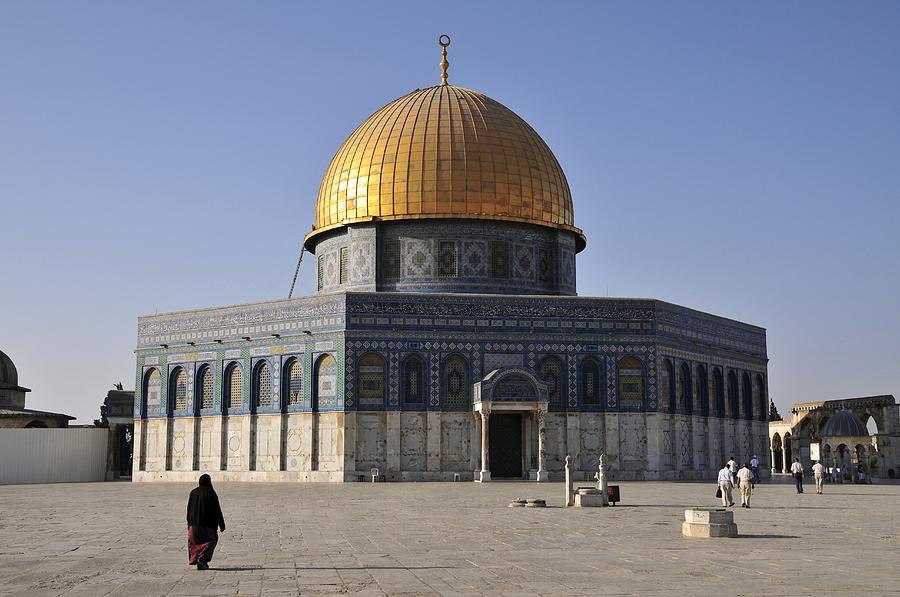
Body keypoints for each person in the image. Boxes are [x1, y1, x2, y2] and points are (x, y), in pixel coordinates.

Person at [186, 474, 225, 570]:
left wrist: (189, 523)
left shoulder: (193, 492)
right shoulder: (211, 492)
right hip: (207, 526)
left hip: (193, 525)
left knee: (195, 543)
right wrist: (221, 524)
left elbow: (189, 509)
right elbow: (217, 510)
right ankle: (202, 559)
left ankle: (200, 562)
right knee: (211, 540)